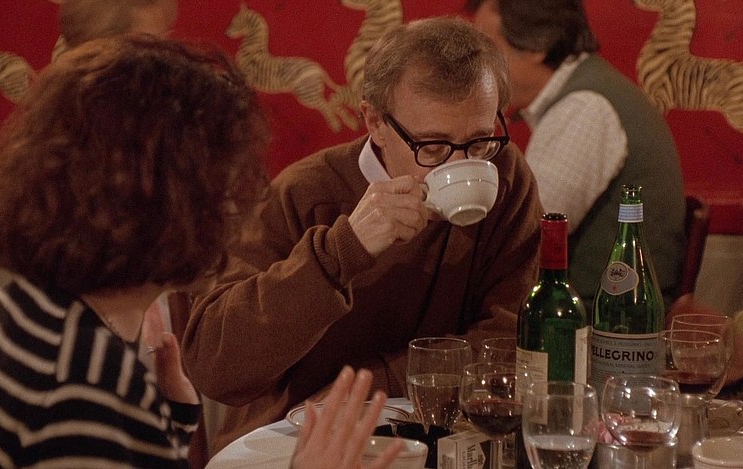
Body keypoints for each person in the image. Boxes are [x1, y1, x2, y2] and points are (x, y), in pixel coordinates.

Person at [0, 34, 400, 468]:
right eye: (219, 181)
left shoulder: (14, 309)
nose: (233, 207)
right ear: (158, 200)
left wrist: (167, 422)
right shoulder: (83, 385)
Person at [181, 16, 543, 452]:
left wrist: (374, 386)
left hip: (445, 437)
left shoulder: (506, 176)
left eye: (479, 141)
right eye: (432, 147)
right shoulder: (304, 193)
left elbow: (511, 339)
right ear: (375, 122)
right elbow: (214, 365)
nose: (460, 166)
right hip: (296, 442)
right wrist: (343, 250)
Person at [469, 0, 686, 311]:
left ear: (536, 45)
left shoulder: (584, 106)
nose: (480, 66)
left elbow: (524, 235)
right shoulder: (587, 91)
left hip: (604, 321)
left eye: (489, 48)